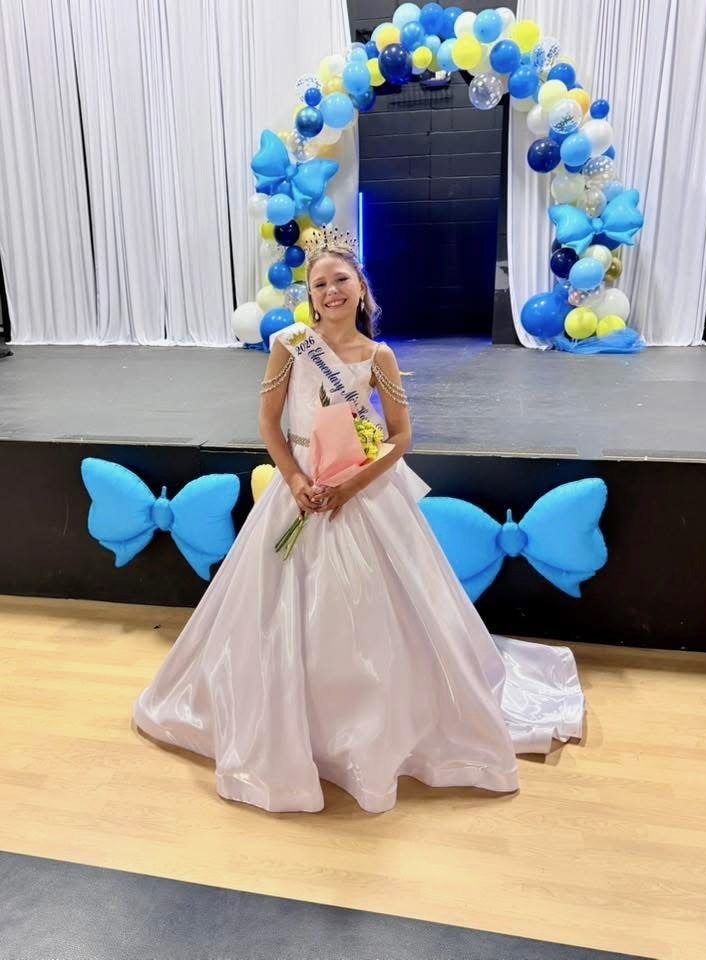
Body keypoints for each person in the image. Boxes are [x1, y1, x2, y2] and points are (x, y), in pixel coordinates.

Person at [133, 227, 584, 814]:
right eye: (319, 283)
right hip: (298, 492)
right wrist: (296, 480)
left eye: (340, 279)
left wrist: (350, 483)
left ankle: (369, 735)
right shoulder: (291, 344)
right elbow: (270, 423)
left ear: (361, 286)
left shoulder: (379, 357)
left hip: (361, 492)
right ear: (311, 296)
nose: (330, 291)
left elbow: (399, 437)